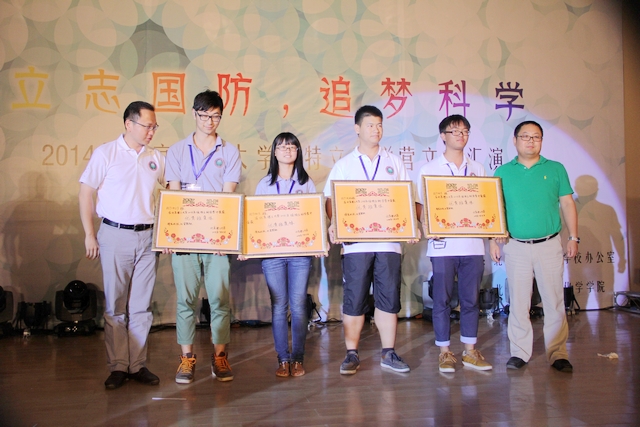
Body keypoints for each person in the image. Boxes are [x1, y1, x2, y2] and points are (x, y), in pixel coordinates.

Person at [324, 105, 416, 375]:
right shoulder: (344, 165)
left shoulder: (394, 162)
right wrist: (334, 224)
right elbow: (331, 200)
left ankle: (388, 352)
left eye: (379, 125)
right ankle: (351, 354)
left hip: (389, 243)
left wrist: (412, 226)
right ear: (357, 128)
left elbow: (406, 199)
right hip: (355, 245)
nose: (376, 130)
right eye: (370, 125)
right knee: (354, 299)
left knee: (388, 299)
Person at [79, 101, 165, 389]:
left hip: (148, 237)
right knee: (116, 306)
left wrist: (170, 234)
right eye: (147, 126)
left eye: (154, 127)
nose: (151, 131)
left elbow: (173, 194)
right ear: (129, 124)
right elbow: (86, 193)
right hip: (115, 234)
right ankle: (118, 366)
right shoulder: (106, 153)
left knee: (141, 306)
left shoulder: (156, 157)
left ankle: (137, 365)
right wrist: (89, 234)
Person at [489, 120, 578, 373]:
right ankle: (519, 352)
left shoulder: (555, 168)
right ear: (515, 140)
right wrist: (493, 240)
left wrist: (574, 237)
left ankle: (557, 353)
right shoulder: (503, 172)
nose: (530, 141)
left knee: (554, 301)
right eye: (525, 136)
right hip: (515, 245)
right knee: (518, 302)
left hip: (549, 244)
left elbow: (567, 203)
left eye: (536, 137)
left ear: (541, 141)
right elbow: (496, 209)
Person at [165, 90, 241, 384]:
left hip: (216, 239)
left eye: (215, 116)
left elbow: (228, 197)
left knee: (219, 300)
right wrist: (171, 236)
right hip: (184, 237)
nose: (210, 121)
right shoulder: (176, 151)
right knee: (185, 300)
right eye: (204, 115)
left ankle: (220, 356)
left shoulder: (229, 152)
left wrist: (224, 237)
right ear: (194, 113)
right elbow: (173, 195)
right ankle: (186, 359)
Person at [415, 115, 492, 373]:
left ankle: (470, 351)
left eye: (465, 131)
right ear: (443, 136)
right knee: (442, 300)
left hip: (473, 245)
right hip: (443, 245)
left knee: (471, 299)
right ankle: (445, 352)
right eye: (455, 131)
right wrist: (428, 226)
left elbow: (486, 204)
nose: (461, 135)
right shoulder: (429, 170)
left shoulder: (478, 169)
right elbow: (421, 207)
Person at [253, 132, 317, 377]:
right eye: (282, 146)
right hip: (273, 254)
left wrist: (317, 243)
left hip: (300, 254)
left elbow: (313, 217)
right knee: (279, 305)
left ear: (298, 151)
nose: (287, 150)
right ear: (274, 152)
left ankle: (298, 358)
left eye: (292, 146)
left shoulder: (306, 183)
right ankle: (283, 359)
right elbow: (256, 219)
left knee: (299, 306)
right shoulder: (265, 184)